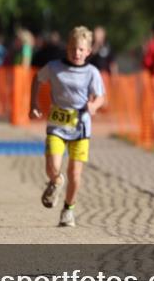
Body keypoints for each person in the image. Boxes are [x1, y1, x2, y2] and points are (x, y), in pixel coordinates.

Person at [29, 27, 106, 228]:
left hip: (81, 128)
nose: (76, 53)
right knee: (52, 167)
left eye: (81, 49)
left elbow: (100, 97)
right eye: (73, 48)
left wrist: (94, 106)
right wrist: (33, 104)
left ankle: (68, 210)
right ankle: (55, 180)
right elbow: (37, 79)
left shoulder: (92, 72)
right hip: (57, 125)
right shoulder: (54, 67)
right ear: (67, 48)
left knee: (75, 174)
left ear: (88, 51)